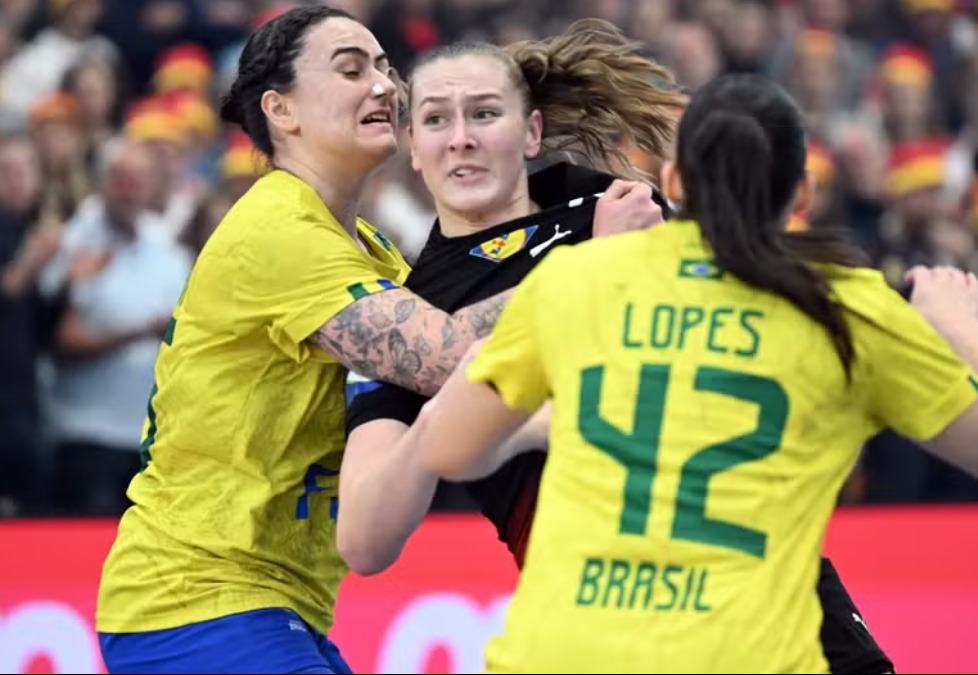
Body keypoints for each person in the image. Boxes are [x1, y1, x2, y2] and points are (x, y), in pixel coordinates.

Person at [404, 73, 978, 673]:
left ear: (672, 184)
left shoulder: (578, 278)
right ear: (801, 191)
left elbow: (447, 447)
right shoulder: (844, 305)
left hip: (556, 655)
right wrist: (961, 326)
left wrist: (547, 419)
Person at [92, 7, 657, 674]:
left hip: (272, 604)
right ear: (283, 110)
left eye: (386, 68)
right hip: (191, 600)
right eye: (352, 69)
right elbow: (447, 356)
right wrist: (592, 261)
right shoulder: (277, 229)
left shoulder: (376, 255)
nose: (386, 86)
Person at [334, 22, 912, 674]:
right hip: (605, 615)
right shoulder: (407, 318)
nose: (461, 136)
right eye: (436, 119)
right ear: (412, 147)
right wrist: (459, 416)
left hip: (760, 571)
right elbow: (362, 539)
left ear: (530, 133)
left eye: (485, 113)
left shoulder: (615, 204)